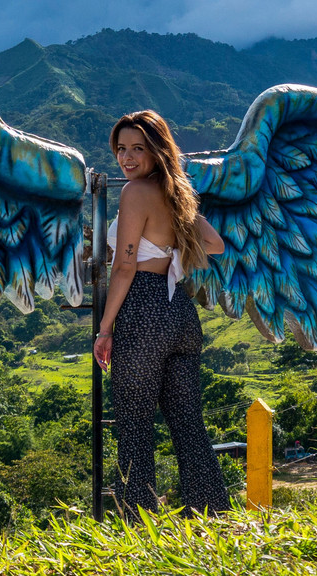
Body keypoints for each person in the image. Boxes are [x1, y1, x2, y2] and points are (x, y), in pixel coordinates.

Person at [92, 110, 229, 517]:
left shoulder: (135, 192)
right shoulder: (176, 193)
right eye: (121, 149)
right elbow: (216, 244)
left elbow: (124, 267)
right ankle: (213, 515)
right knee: (188, 424)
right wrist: (174, 243)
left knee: (134, 427)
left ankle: (137, 523)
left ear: (156, 151)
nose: (127, 158)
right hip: (179, 312)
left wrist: (104, 329)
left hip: (143, 308)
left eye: (138, 148)